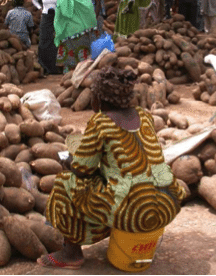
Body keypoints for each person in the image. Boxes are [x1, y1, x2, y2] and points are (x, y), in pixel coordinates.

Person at [38, 66, 186, 270]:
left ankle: (71, 253)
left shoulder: (101, 122)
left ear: (98, 99)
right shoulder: (145, 116)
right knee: (114, 183)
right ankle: (120, 232)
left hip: (136, 210)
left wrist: (69, 161)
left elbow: (82, 170)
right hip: (168, 201)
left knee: (66, 182)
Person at [54, 0, 99, 74]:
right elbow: (91, 17)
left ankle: (67, 79)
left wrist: (58, 29)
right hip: (83, 34)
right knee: (83, 60)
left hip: (67, 32)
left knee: (68, 60)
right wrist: (94, 28)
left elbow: (60, 14)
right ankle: (81, 78)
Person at [32, 0, 62, 75]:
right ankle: (44, 66)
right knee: (43, 42)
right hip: (45, 19)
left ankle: (54, 67)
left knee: (54, 42)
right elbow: (34, 0)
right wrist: (40, 8)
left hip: (56, 18)